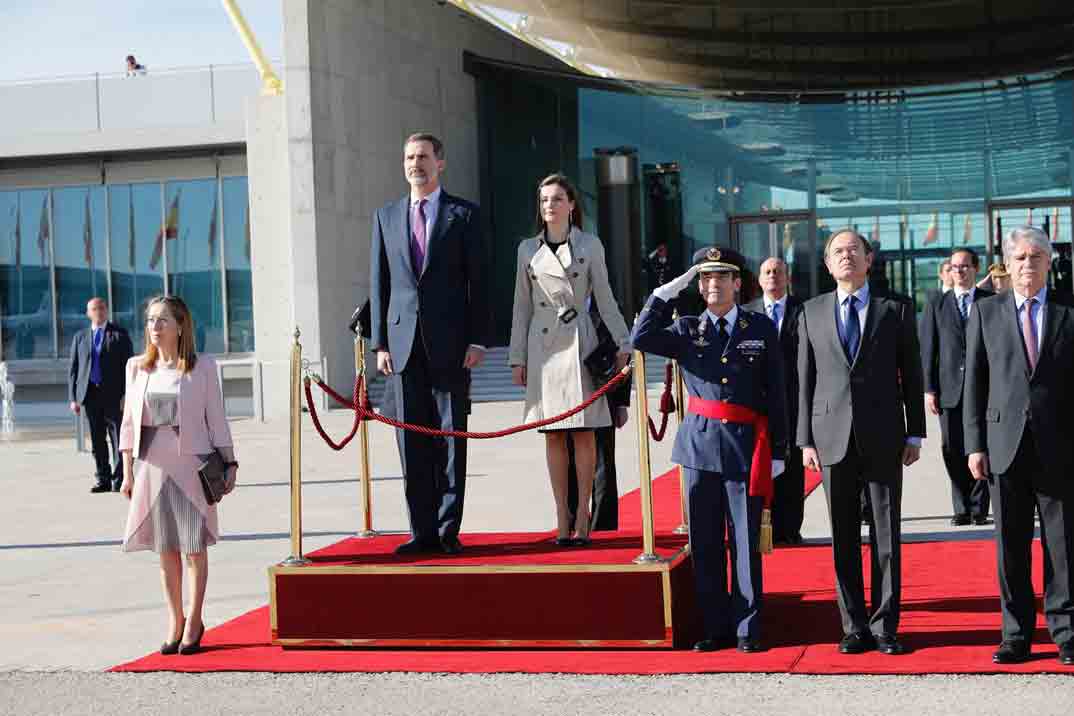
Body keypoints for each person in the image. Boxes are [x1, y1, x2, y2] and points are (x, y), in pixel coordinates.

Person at [632, 247, 786, 653]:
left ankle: (748, 627)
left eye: (721, 277)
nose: (713, 284)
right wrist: (666, 290)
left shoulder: (761, 327)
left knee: (745, 541)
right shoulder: (685, 329)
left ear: (738, 283)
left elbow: (778, 391)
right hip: (699, 447)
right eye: (705, 278)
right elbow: (640, 337)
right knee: (705, 541)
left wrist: (780, 451)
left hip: (745, 448)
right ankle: (715, 627)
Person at [797, 228, 926, 657]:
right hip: (830, 437)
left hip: (885, 436)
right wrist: (805, 440)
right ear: (828, 265)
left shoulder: (897, 309)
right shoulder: (811, 312)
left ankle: (886, 625)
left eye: (855, 249)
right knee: (843, 536)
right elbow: (805, 381)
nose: (846, 256)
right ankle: (853, 625)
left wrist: (915, 431)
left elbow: (912, 372)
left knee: (886, 534)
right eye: (838, 251)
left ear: (870, 260)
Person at [370, 133, 489, 556]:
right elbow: (380, 282)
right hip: (402, 348)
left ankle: (446, 530)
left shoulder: (465, 215)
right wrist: (380, 343)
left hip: (452, 344)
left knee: (451, 438)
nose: (414, 164)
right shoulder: (385, 216)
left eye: (422, 156)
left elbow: (480, 281)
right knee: (411, 441)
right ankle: (421, 532)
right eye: (408, 157)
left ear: (440, 163)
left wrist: (478, 338)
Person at [965, 226, 1074, 666]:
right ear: (1007, 265)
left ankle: (1066, 631)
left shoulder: (1069, 311)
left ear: (1049, 263)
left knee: (1063, 545)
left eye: (1037, 256)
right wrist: (974, 444)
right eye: (1021, 257)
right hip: (1003, 443)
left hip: (1059, 445)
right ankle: (1016, 634)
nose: (1028, 264)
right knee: (1009, 544)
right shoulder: (985, 313)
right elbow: (974, 381)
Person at [508, 173, 630, 547]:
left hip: (580, 342)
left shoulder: (590, 245)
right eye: (544, 200)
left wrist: (624, 340)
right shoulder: (527, 249)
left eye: (558, 199)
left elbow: (606, 297)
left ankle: (582, 518)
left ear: (572, 205)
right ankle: (562, 515)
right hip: (543, 347)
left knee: (583, 431)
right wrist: (517, 357)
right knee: (554, 434)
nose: (550, 206)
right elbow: (521, 306)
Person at [118, 296, 237, 656]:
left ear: (181, 325)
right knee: (165, 548)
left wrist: (230, 463)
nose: (155, 327)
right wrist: (126, 474)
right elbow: (128, 425)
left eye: (163, 320)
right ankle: (176, 618)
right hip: (152, 467)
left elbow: (216, 418)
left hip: (191, 466)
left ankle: (196, 619)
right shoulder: (136, 367)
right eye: (151, 320)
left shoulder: (201, 367)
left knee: (193, 548)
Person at [920, 248, 993, 527]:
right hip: (949, 389)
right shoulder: (937, 303)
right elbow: (929, 350)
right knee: (952, 448)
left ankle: (978, 508)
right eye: (954, 267)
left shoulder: (991, 302)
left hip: (984, 389)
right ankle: (961, 506)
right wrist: (929, 388)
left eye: (964, 266)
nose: (959, 271)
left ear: (975, 269)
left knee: (981, 445)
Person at [745, 257, 805, 544]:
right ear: (759, 279)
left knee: (792, 467)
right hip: (756, 405)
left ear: (787, 278)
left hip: (793, 402)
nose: (773, 276)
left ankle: (790, 529)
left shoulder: (803, 311)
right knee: (758, 466)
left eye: (778, 272)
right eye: (767, 272)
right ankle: (759, 527)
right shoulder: (746, 314)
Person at [565, 298, 631, 533]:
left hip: (602, 391)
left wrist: (622, 403)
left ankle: (603, 525)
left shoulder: (609, 306)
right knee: (568, 459)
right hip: (567, 393)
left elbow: (624, 353)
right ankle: (571, 520)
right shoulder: (558, 303)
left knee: (603, 462)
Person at [68, 297, 134, 493]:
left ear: (107, 310)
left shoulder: (120, 334)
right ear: (88, 313)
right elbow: (74, 369)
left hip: (114, 396)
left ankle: (119, 478)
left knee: (117, 439)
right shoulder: (80, 337)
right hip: (90, 396)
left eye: (102, 308)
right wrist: (73, 398)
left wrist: (127, 395)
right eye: (94, 309)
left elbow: (129, 367)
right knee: (97, 440)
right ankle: (102, 479)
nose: (99, 311)